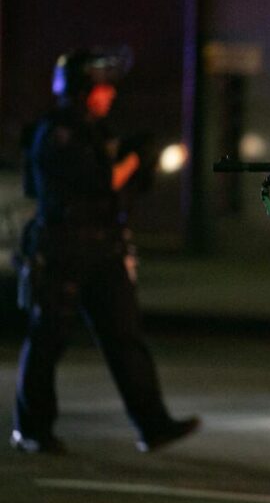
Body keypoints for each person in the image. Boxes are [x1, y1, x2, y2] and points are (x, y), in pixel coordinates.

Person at [11, 48, 200, 454]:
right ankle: (31, 429)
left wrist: (141, 161)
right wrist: (134, 159)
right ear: (82, 91)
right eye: (102, 87)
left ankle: (153, 425)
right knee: (48, 340)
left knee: (125, 339)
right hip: (63, 251)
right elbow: (99, 181)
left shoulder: (96, 132)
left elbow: (119, 186)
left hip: (103, 250)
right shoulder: (57, 133)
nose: (110, 93)